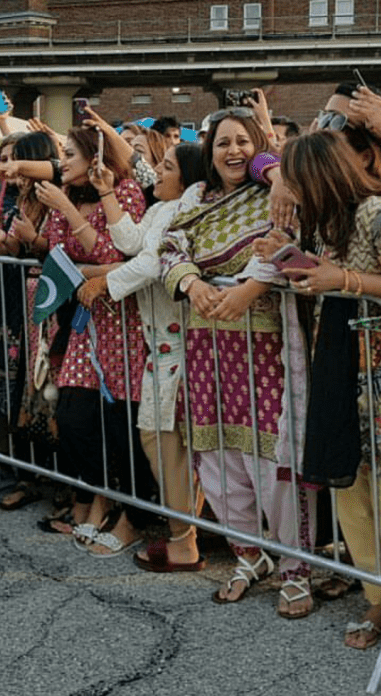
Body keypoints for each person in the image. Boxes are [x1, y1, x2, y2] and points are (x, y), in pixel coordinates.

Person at [276, 131, 381, 649]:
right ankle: (377, 598)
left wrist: (343, 279)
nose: (290, 189)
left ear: (318, 178)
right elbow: (330, 278)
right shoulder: (324, 224)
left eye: (295, 179)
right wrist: (290, 258)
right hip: (341, 371)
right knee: (353, 490)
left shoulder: (374, 213)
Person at [160, 108, 316, 617]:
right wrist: (193, 283)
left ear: (260, 147)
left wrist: (249, 290)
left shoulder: (279, 196)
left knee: (274, 461)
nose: (232, 151)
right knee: (220, 460)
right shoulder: (198, 202)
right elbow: (168, 247)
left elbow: (290, 248)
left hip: (265, 347)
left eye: (243, 142)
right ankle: (249, 557)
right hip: (208, 350)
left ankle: (296, 569)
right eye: (222, 142)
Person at [80, 142, 207, 572]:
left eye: (167, 166)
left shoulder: (189, 204)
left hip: (183, 343)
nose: (157, 172)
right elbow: (132, 240)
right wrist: (107, 193)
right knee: (159, 440)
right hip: (162, 344)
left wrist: (105, 283)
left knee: (168, 442)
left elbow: (153, 262)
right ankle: (185, 532)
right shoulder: (161, 208)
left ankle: (184, 539)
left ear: (188, 177)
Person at [35, 126, 154, 557]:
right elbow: (58, 254)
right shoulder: (61, 198)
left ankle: (131, 515)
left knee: (125, 426)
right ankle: (101, 496)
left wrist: (67, 208)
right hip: (86, 324)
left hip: (125, 324)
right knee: (74, 419)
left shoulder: (124, 193)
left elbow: (115, 257)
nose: (62, 161)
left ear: (93, 156)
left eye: (69, 154)